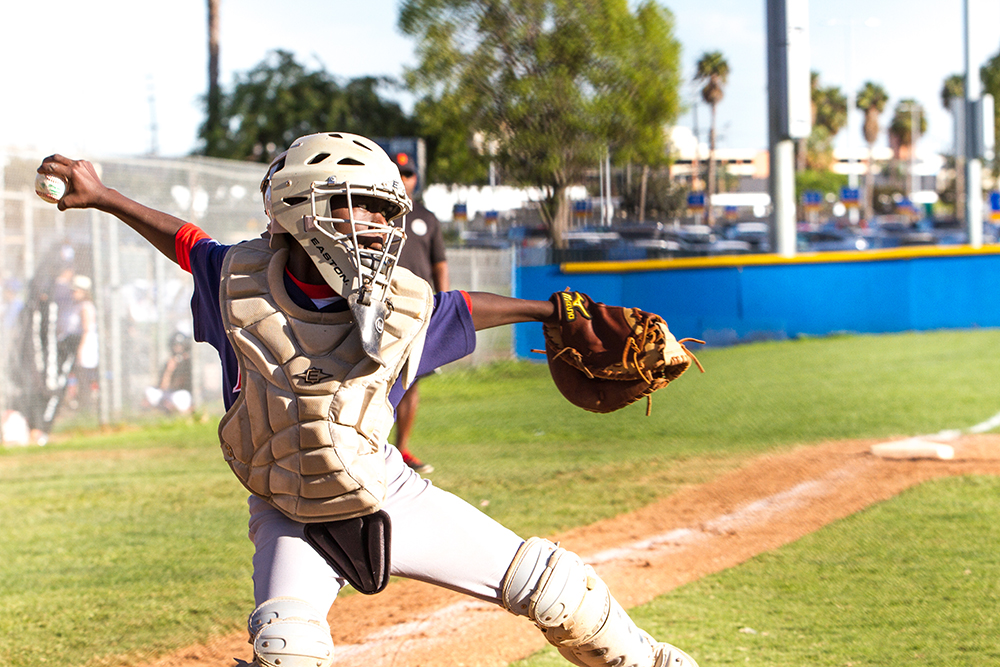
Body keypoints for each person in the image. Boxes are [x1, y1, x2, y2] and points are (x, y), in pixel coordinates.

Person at [38, 133, 698, 667]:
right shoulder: (234, 279)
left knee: (553, 588)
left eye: (388, 211)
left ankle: (652, 661)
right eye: (365, 206)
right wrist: (103, 196)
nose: (383, 225)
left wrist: (550, 309)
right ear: (302, 207)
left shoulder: (404, 307)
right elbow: (184, 239)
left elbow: (462, 305)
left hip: (383, 487)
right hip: (286, 501)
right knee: (285, 648)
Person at [391, 156, 449, 474]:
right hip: (381, 309)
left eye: (408, 173)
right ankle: (370, 451)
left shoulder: (426, 218)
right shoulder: (378, 214)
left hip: (419, 311)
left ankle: (401, 451)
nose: (403, 177)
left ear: (416, 179)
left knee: (411, 381)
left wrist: (443, 300)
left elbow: (440, 262)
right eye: (397, 172)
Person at [144, 331, 193, 414]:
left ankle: (174, 409)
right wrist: (169, 370)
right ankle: (164, 409)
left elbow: (179, 384)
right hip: (168, 392)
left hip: (181, 393)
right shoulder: (169, 363)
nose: (177, 348)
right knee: (150, 392)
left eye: (180, 346)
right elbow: (163, 386)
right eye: (175, 346)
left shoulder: (188, 363)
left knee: (179, 397)